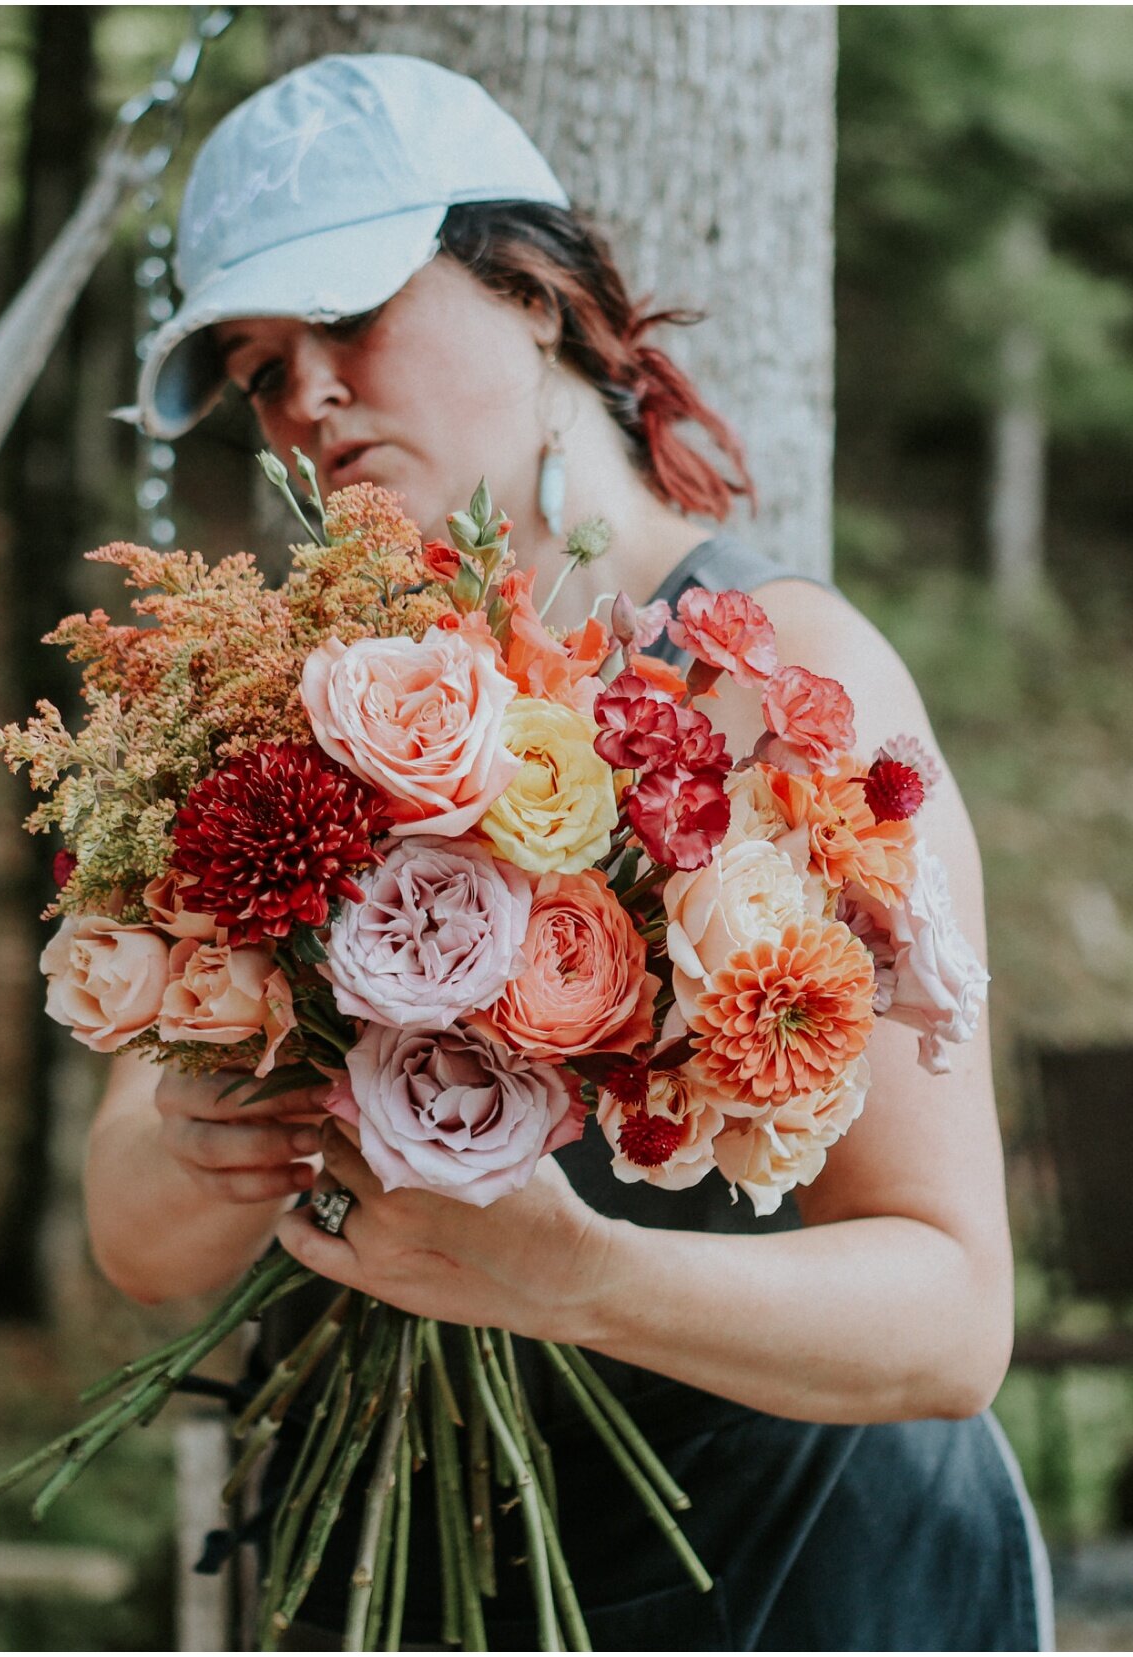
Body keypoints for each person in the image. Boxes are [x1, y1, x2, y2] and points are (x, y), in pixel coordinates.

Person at [85, 53, 1052, 1651]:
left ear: (532, 293)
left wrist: (573, 1275)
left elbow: (952, 1313)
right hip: (409, 1559)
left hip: (797, 1561)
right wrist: (204, 1130)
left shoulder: (782, 681)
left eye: (350, 315)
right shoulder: (272, 720)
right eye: (260, 369)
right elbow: (131, 1229)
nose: (307, 394)